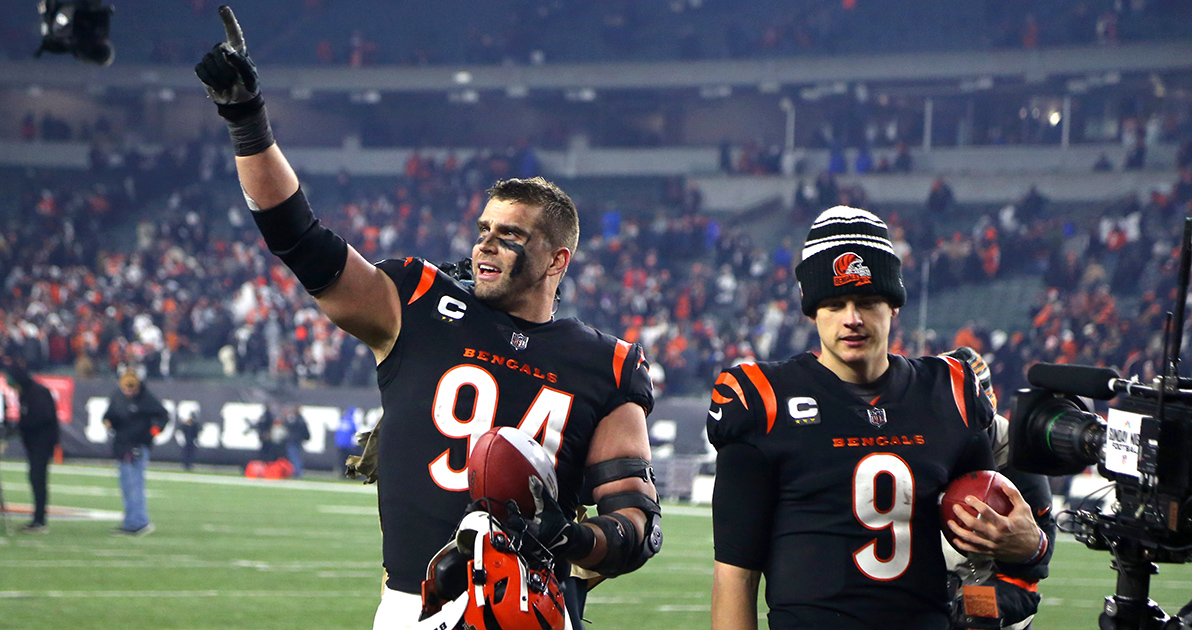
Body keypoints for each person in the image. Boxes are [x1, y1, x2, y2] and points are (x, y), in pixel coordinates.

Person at [195, 9, 660, 629]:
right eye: (484, 231)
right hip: (415, 604)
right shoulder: (418, 303)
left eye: (511, 235)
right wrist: (246, 121)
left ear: (558, 259)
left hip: (534, 607)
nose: (487, 245)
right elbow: (298, 239)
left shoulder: (605, 363)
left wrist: (564, 539)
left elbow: (636, 522)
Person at [708, 206, 1047, 630]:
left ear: (893, 305)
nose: (852, 318)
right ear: (811, 311)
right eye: (834, 303)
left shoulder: (950, 391)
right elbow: (735, 576)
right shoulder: (763, 400)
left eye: (867, 301)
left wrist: (1031, 545)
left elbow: (997, 536)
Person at [940, 347, 1055, 630]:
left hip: (988, 590)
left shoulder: (1019, 458)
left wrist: (968, 609)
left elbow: (1025, 581)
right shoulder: (910, 444)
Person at [102, 369, 168, 536]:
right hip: (122, 445)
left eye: (132, 387)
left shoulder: (146, 399)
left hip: (138, 445)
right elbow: (110, 414)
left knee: (135, 484)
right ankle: (130, 521)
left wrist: (153, 432)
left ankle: (139, 521)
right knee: (126, 486)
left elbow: (163, 416)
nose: (128, 391)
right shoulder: (118, 397)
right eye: (126, 387)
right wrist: (108, 422)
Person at [2, 358, 59, 534]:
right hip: (34, 443)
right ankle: (37, 519)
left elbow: (43, 418)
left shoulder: (37, 392)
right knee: (35, 478)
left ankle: (39, 520)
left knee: (38, 478)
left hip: (41, 443)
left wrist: (21, 427)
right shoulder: (27, 392)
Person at [283, 405, 309, 478]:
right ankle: (297, 472)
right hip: (298, 441)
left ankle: (296, 473)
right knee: (297, 457)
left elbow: (288, 425)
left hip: (293, 441)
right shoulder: (302, 419)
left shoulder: (294, 419)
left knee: (294, 457)